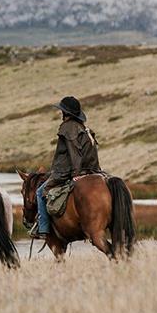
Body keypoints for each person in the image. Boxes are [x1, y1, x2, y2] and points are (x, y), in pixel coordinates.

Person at [32, 96, 101, 239]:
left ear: (65, 113)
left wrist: (76, 173)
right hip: (93, 170)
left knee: (40, 192)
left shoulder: (67, 127)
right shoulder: (84, 128)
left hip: (66, 172)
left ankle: (43, 228)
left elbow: (73, 151)